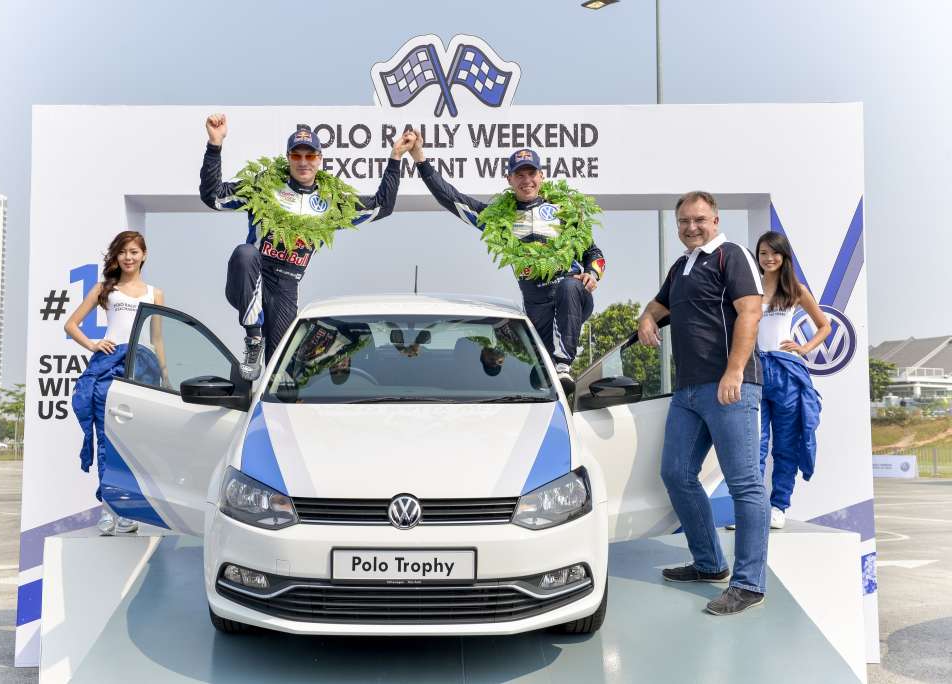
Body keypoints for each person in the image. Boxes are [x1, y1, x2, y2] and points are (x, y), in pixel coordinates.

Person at [200, 115, 416, 379]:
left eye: (310, 156)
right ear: (288, 158)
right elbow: (213, 196)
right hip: (251, 277)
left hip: (286, 289)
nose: (303, 162)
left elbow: (382, 206)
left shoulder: (331, 202)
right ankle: (253, 339)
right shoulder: (265, 187)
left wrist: (395, 157)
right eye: (297, 155)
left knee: (283, 374)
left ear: (319, 159)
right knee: (245, 253)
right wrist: (215, 145)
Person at [637, 191, 768, 616]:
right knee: (675, 474)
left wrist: (734, 371)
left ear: (715, 219)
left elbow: (750, 312)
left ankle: (748, 584)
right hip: (688, 391)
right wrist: (645, 319)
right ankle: (710, 563)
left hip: (731, 386)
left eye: (698, 220)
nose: (690, 228)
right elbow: (659, 305)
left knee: (745, 484)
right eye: (683, 222)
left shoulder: (732, 255)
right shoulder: (682, 266)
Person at [408, 138, 604, 393]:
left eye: (531, 173)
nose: (526, 180)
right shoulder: (498, 218)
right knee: (540, 373)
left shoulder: (562, 211)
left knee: (568, 287)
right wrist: (420, 159)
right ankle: (552, 383)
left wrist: (592, 273)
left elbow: (594, 253)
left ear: (541, 176)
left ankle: (564, 366)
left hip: (573, 296)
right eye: (519, 175)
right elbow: (452, 199)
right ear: (509, 180)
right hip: (538, 305)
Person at [66, 231, 167, 536]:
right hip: (107, 367)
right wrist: (93, 344)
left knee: (133, 442)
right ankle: (109, 510)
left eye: (134, 251)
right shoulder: (104, 289)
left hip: (141, 368)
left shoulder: (155, 294)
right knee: (106, 437)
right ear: (116, 256)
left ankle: (128, 509)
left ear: (144, 255)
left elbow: (158, 338)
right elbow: (71, 324)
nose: (128, 257)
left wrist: (164, 374)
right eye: (123, 252)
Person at [752, 230, 826, 529]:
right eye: (763, 253)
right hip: (753, 370)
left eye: (774, 253)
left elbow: (824, 325)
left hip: (785, 372)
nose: (769, 259)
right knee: (753, 445)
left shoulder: (796, 290)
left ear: (784, 256)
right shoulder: (748, 287)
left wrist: (804, 348)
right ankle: (752, 511)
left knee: (785, 445)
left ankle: (779, 506)